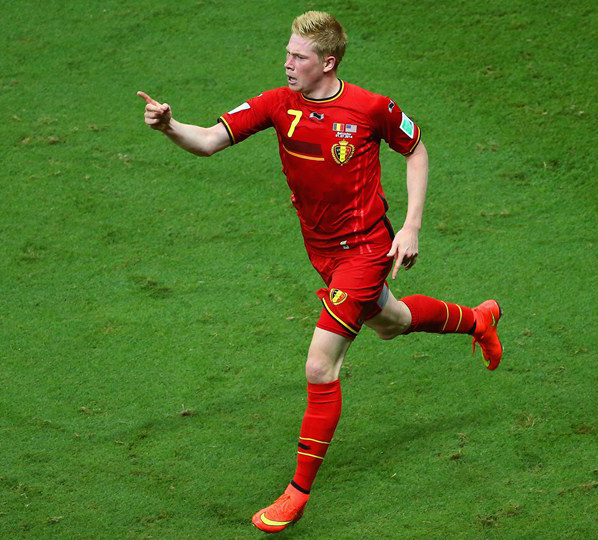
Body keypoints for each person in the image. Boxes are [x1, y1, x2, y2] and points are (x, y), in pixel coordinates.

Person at [137, 10, 502, 533]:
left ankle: (296, 493)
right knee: (392, 321)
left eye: (298, 57)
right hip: (322, 251)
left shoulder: (371, 108)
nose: (286, 64)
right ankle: (478, 320)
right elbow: (210, 140)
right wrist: (170, 126)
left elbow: (415, 149)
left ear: (327, 62)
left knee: (319, 366)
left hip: (366, 250)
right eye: (287, 53)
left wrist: (413, 226)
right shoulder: (276, 104)